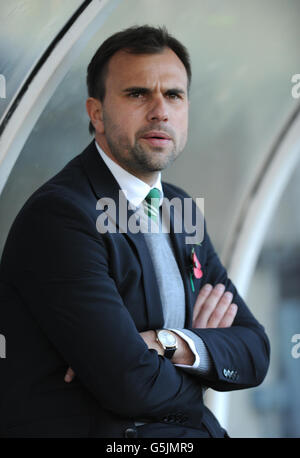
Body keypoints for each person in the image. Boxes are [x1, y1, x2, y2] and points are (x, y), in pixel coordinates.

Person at [0, 25, 270, 438]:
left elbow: (255, 351)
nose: (160, 110)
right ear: (96, 112)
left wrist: (166, 343)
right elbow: (130, 384)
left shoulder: (178, 207)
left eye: (174, 95)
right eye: (138, 93)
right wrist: (202, 361)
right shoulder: (61, 216)